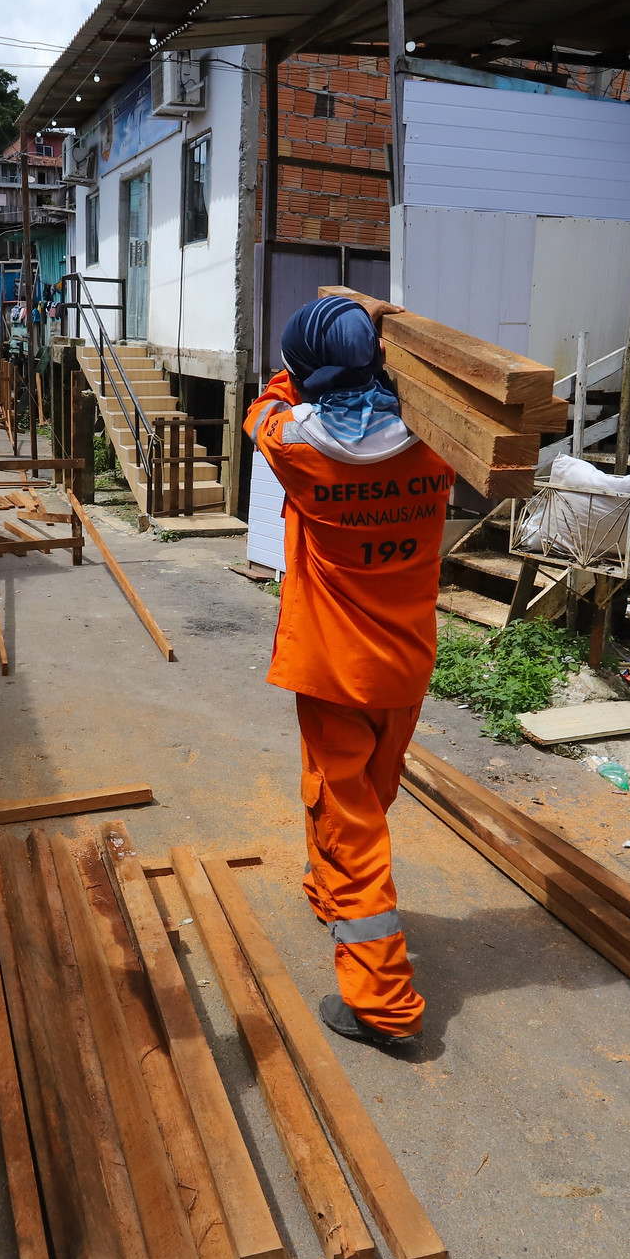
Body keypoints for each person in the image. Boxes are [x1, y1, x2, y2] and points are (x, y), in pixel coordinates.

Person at [243, 294, 453, 1049]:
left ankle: (381, 1001)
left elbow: (267, 402)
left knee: (351, 822)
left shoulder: (298, 448)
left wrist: (320, 344)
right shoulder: (439, 445)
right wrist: (382, 326)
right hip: (405, 667)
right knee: (366, 800)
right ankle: (329, 886)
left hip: (336, 672)